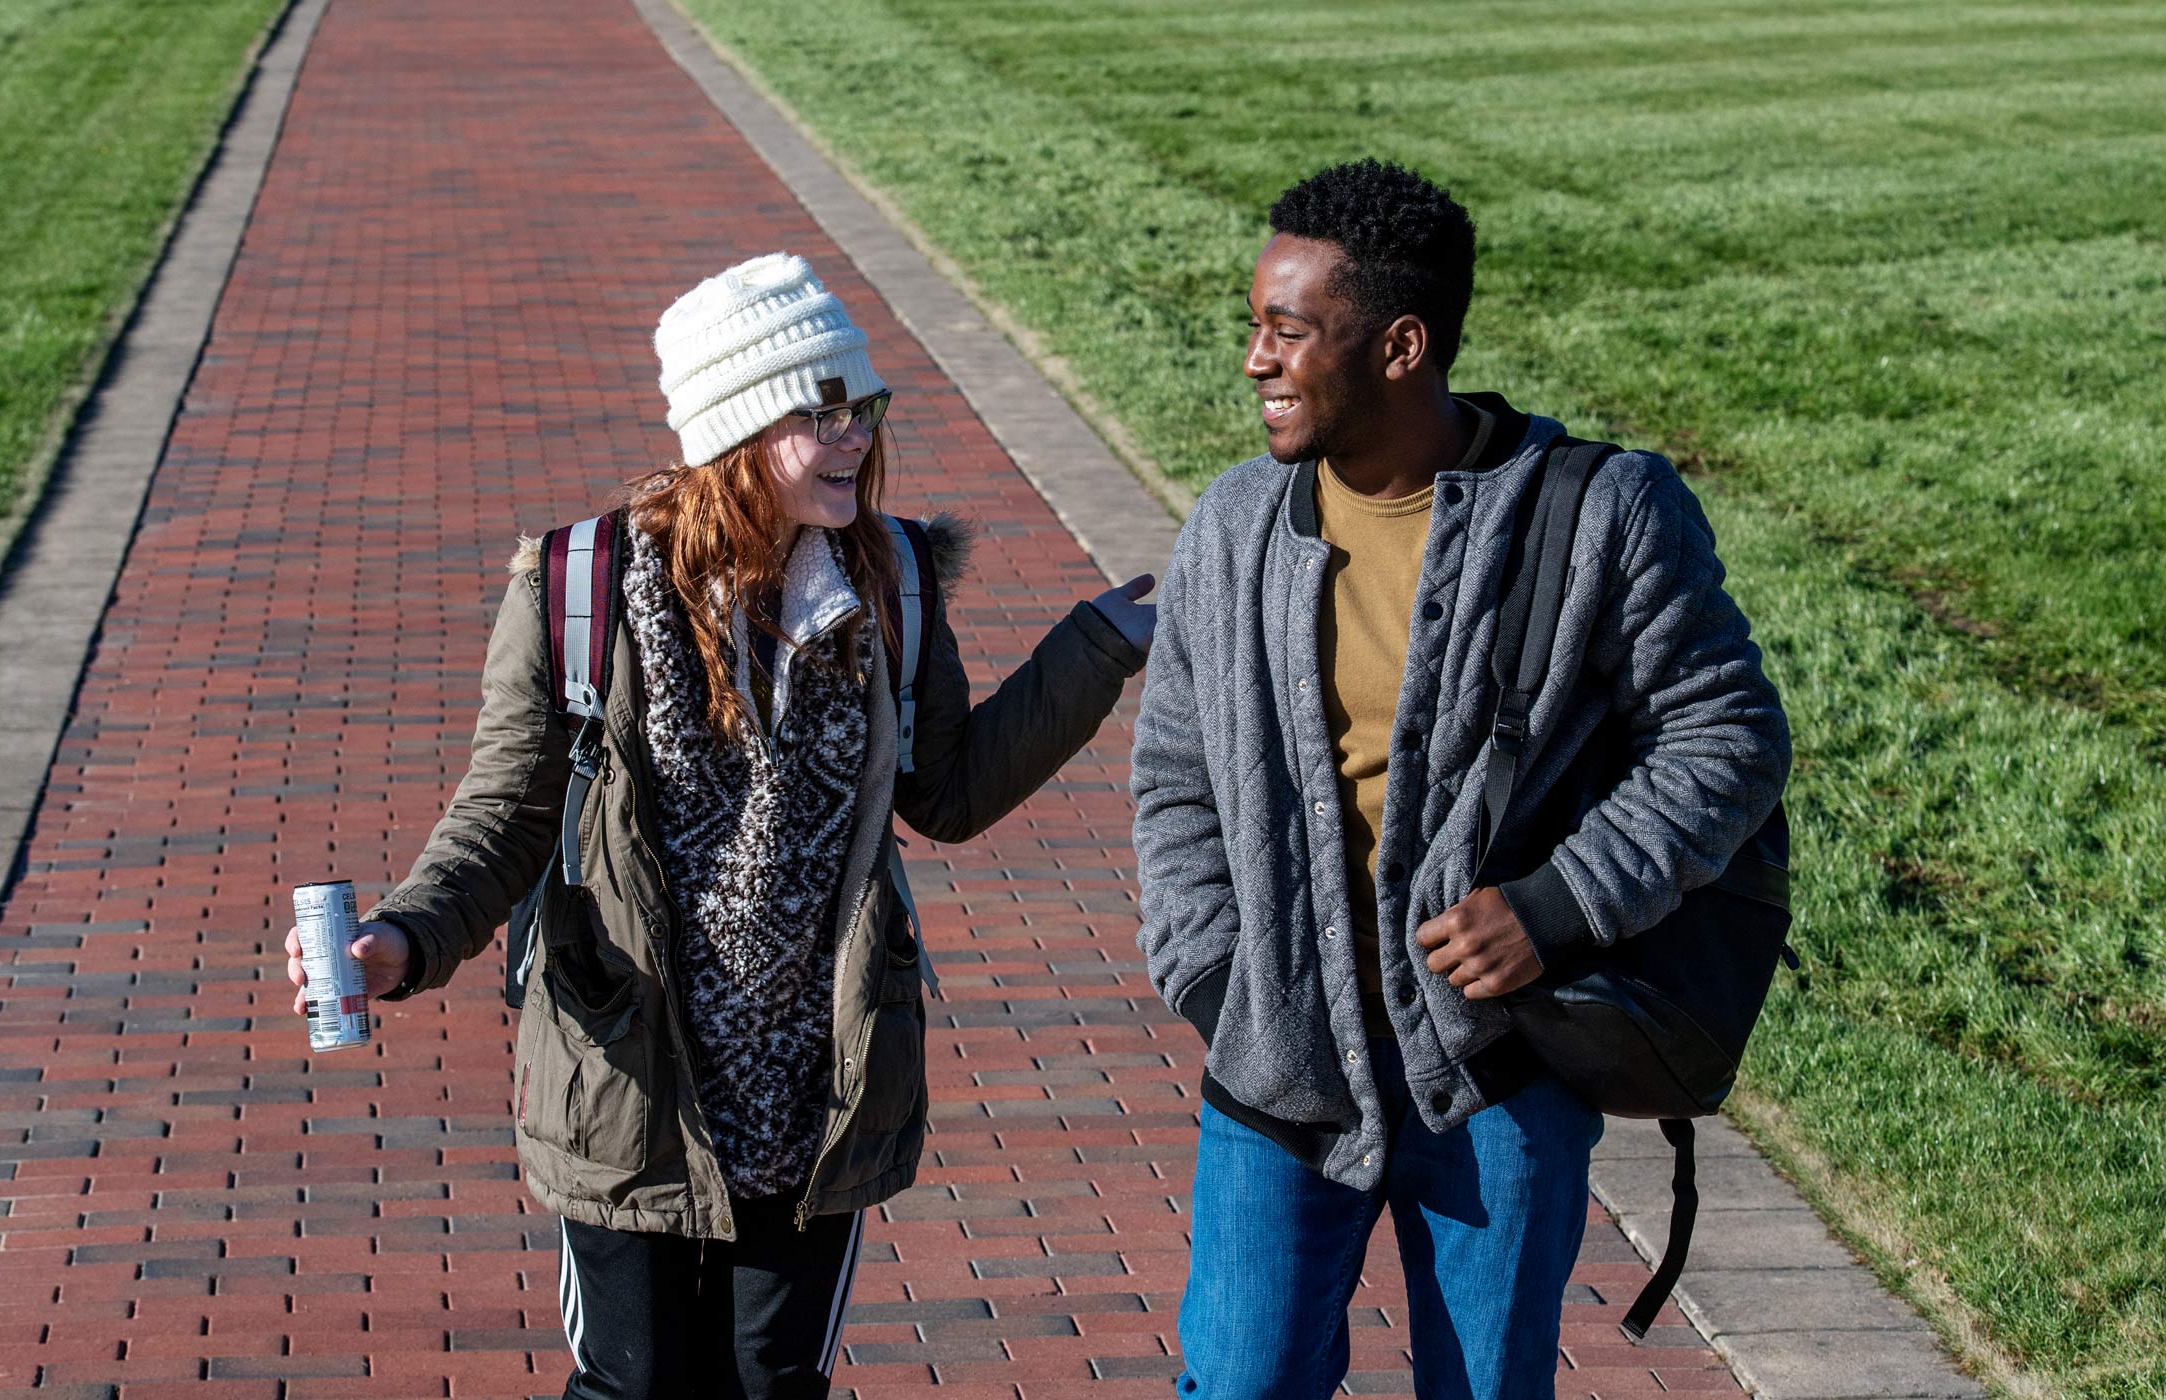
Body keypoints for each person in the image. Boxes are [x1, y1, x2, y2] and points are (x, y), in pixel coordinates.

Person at [284, 252, 1155, 1399]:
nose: (854, 436)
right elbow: (505, 813)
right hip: (628, 1074)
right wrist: (403, 939)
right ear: (739, 430)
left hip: (819, 1076)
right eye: (820, 411)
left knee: (769, 1384)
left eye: (862, 407)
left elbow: (947, 790)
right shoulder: (581, 587)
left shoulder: (890, 577)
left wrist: (1091, 650)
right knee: (634, 1387)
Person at [1131, 161, 1790, 1399]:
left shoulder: (1603, 514)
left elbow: (1728, 737)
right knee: (1238, 1378)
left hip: (1497, 1067)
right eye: (1253, 324)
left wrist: (1557, 907)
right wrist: (1217, 972)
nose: (1253, 358)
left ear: (1399, 344)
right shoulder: (1233, 524)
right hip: (1277, 1058)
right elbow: (1175, 771)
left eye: (1287, 329)